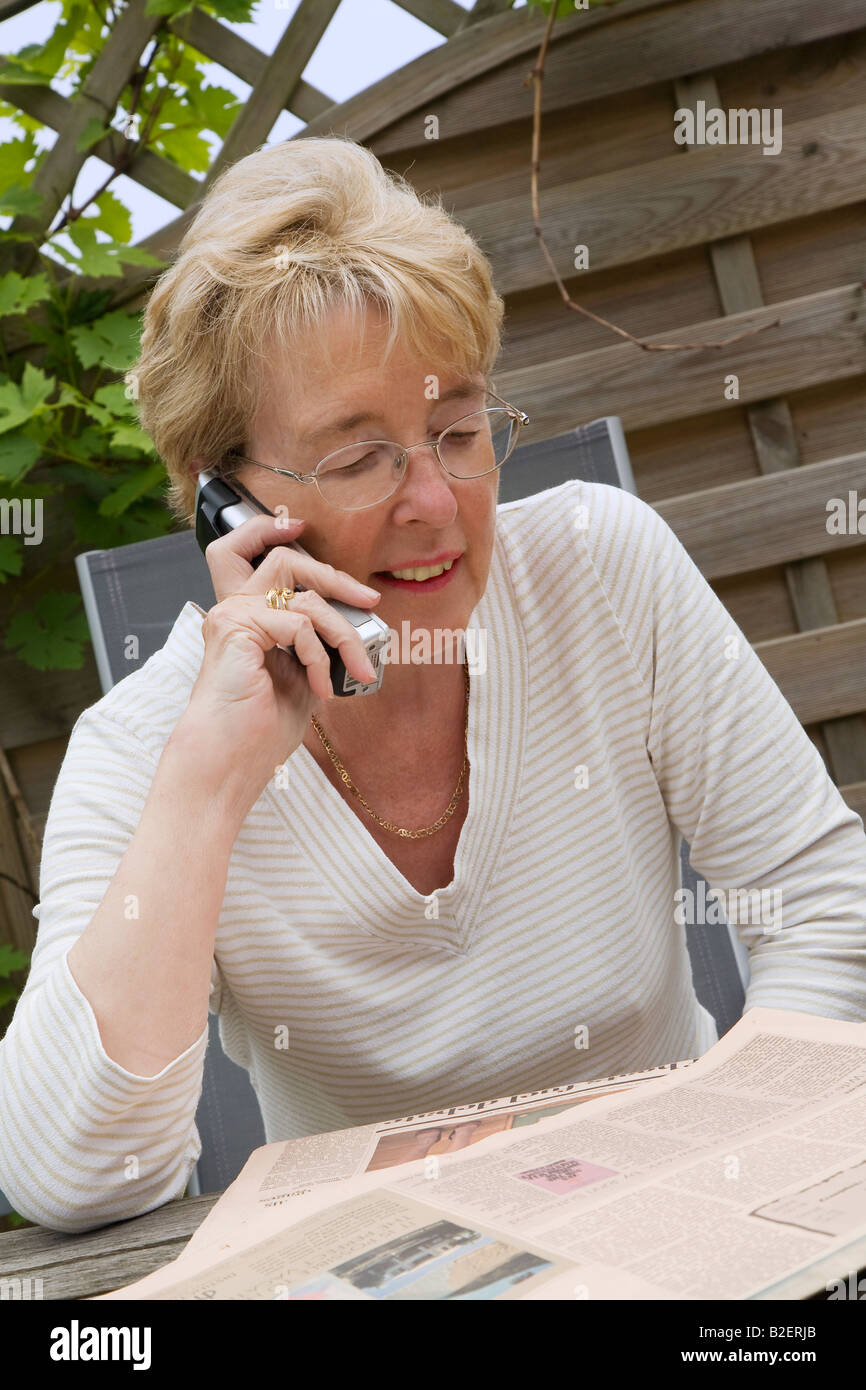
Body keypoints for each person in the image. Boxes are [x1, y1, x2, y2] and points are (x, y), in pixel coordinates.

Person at [1, 137, 864, 1234]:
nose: (439, 503)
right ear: (227, 503)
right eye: (361, 460)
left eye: (456, 432)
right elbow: (69, 1178)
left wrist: (712, 1165)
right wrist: (212, 783)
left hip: (676, 1234)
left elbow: (828, 909)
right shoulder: (142, 750)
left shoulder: (602, 569)